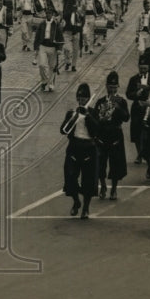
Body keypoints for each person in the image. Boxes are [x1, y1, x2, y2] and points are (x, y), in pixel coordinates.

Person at [61, 83, 100, 219]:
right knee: (70, 177)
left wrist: (87, 115)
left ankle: (86, 207)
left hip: (89, 148)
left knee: (88, 180)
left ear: (88, 98)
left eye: (84, 98)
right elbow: (63, 130)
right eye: (79, 97)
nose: (81, 100)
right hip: (74, 147)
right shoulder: (72, 112)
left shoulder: (93, 112)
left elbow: (97, 131)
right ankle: (76, 201)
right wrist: (74, 118)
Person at [94, 71, 129, 200]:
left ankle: (114, 189)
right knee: (101, 163)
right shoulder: (100, 101)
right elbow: (95, 119)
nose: (113, 90)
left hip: (115, 135)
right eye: (110, 87)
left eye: (115, 88)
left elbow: (126, 118)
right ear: (106, 87)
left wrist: (118, 107)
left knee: (116, 164)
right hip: (103, 135)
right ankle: (103, 185)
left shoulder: (122, 101)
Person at [33, 8, 63, 92]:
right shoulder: (42, 24)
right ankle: (44, 81)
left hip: (53, 47)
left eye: (50, 13)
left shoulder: (56, 24)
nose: (48, 15)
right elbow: (37, 36)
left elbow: (60, 37)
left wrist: (59, 48)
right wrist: (36, 48)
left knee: (52, 66)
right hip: (43, 46)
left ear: (52, 14)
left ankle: (51, 84)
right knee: (42, 65)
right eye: (47, 13)